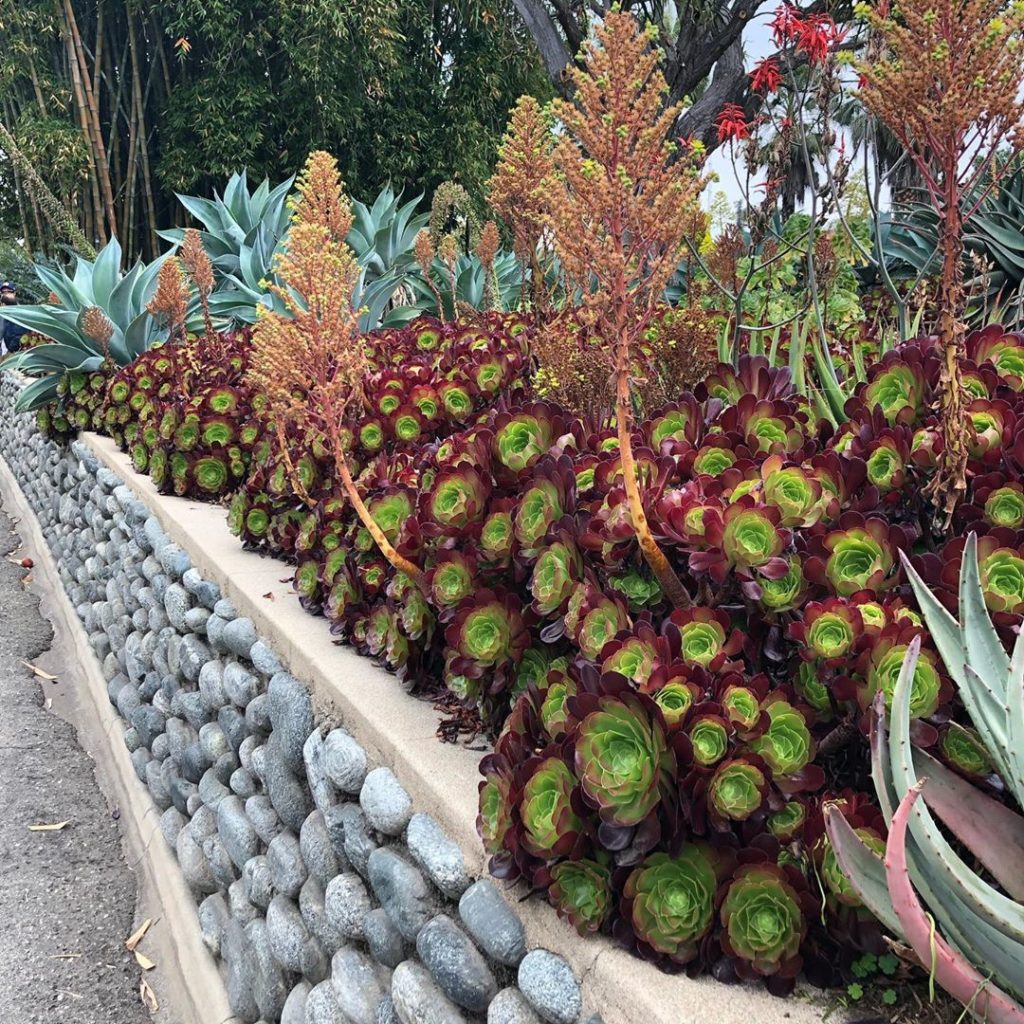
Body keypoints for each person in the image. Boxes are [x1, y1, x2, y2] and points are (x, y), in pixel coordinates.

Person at [0, 282, 28, 355]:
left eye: (9, 291)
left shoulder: (22, 312)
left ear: (14, 293)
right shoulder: (2, 311)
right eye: (3, 292)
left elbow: (19, 336)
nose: (5, 294)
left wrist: (9, 353)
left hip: (14, 353)